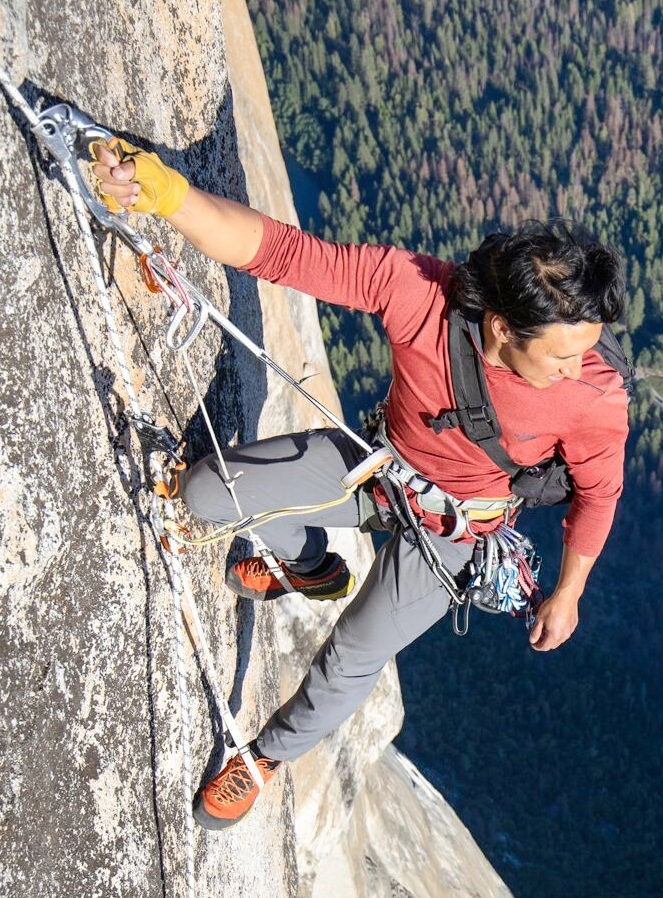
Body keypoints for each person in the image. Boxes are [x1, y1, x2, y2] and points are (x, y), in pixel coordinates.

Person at [88, 142, 629, 830]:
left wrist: (570, 591)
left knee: (354, 651)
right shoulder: (419, 294)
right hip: (378, 467)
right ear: (501, 327)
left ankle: (266, 758)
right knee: (207, 495)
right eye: (564, 353)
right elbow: (280, 252)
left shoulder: (593, 397)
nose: (581, 367)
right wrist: (166, 195)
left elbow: (598, 493)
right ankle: (310, 568)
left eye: (585, 349)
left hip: (455, 533)